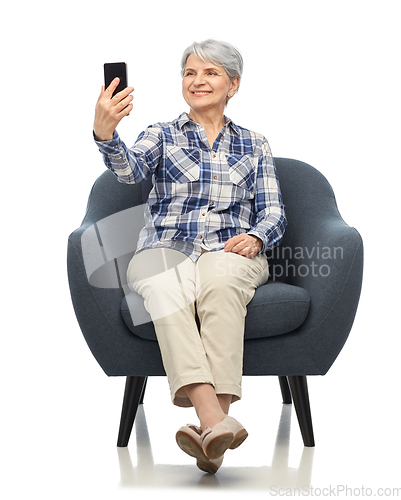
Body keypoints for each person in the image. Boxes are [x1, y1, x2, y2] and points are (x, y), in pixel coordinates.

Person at [93, 39, 287, 473]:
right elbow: (130, 170)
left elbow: (273, 209)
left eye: (211, 73)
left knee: (219, 279)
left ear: (233, 85)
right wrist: (106, 134)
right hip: (165, 247)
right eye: (189, 73)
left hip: (231, 249)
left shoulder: (255, 144)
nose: (198, 81)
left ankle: (209, 432)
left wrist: (256, 237)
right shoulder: (160, 134)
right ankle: (215, 420)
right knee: (164, 281)